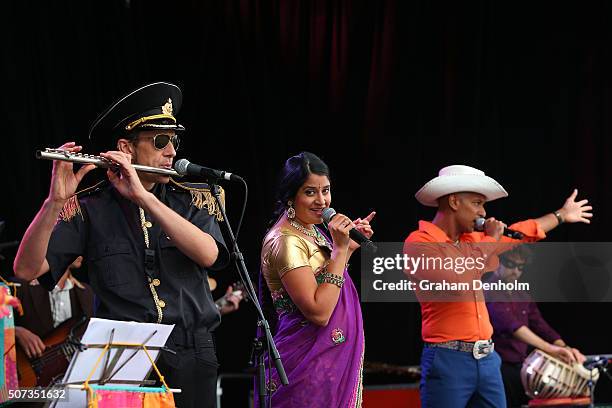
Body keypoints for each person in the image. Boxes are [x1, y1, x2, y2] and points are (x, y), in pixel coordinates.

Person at [13, 82, 229, 408]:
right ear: (126, 149)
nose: (171, 151)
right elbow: (26, 269)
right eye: (160, 141)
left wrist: (142, 197)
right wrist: (54, 203)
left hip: (191, 352)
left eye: (174, 141)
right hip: (125, 355)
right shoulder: (92, 208)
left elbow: (209, 254)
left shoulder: (192, 200)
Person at [404, 165, 592, 408]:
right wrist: (492, 239)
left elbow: (521, 232)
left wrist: (560, 215)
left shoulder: (472, 241)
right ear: (453, 202)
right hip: (449, 358)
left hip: (488, 359)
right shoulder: (420, 242)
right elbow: (459, 277)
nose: (483, 212)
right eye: (477, 203)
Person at [258, 152, 375, 407]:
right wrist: (340, 250)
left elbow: (326, 282)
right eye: (310, 192)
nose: (322, 201)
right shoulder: (285, 241)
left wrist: (348, 248)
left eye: (326, 190)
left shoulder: (311, 229)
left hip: (325, 366)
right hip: (305, 369)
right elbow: (319, 312)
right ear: (291, 196)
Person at [485, 245, 586, 408]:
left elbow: (540, 325)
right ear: (497, 263)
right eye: (510, 264)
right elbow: (512, 326)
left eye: (520, 267)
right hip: (497, 367)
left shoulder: (522, 294)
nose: (515, 271)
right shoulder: (489, 291)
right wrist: (550, 349)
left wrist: (565, 348)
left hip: (522, 365)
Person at [14, 256, 94, 360]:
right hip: (23, 370)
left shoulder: (86, 292)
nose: (81, 252)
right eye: (75, 242)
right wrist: (16, 331)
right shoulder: (19, 286)